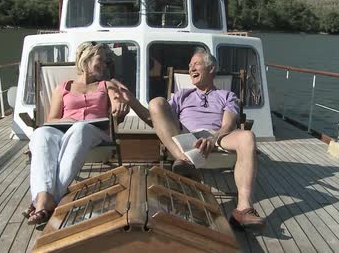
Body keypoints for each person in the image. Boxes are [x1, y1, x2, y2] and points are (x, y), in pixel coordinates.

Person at [113, 47, 266, 229]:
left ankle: (243, 209)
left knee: (247, 136)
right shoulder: (182, 95)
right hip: (185, 139)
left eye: (197, 64)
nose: (191, 69)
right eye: (190, 66)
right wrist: (132, 101)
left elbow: (228, 125)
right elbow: (153, 118)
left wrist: (212, 138)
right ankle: (183, 157)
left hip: (216, 137)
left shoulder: (227, 96)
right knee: (156, 102)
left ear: (211, 68)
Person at [25, 42, 129, 225]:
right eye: (101, 60)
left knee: (80, 129)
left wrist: (119, 107)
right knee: (41, 134)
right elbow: (52, 119)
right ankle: (46, 200)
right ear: (86, 59)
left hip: (95, 132)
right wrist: (70, 121)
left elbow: (116, 105)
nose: (104, 65)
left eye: (106, 62)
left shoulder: (106, 85)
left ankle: (43, 200)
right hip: (64, 130)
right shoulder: (64, 87)